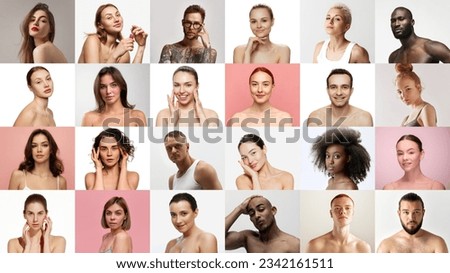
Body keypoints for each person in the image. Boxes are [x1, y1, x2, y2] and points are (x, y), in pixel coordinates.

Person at [225, 195, 300, 253]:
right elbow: (219, 239)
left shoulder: (293, 244)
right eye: (252, 213)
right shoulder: (248, 238)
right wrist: (239, 209)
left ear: (273, 211)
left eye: (261, 209)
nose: (256, 215)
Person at [377, 192, 448, 253]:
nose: (411, 218)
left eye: (416, 212)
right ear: (399, 214)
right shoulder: (386, 246)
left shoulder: (437, 243)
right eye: (406, 212)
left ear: (423, 213)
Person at [78, 3, 147, 63]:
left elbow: (116, 73)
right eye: (109, 17)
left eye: (118, 15)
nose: (116, 19)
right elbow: (95, 73)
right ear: (100, 25)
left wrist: (141, 46)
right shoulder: (92, 40)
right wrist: (115, 55)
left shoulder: (124, 54)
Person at [81, 66, 147, 126]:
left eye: (113, 85)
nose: (108, 91)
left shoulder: (137, 116)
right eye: (103, 87)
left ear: (122, 87)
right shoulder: (89, 118)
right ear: (98, 90)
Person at [228, 67, 293, 127]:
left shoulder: (284, 118)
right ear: (249, 86)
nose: (260, 90)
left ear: (272, 87)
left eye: (265, 84)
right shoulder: (237, 119)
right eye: (255, 84)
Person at [307, 68, 373, 127]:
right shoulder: (316, 117)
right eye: (333, 87)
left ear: (351, 91)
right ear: (328, 91)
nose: (339, 93)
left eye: (344, 87)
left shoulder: (364, 119)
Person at [306, 194, 371, 253]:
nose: (343, 212)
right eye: (337, 208)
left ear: (353, 213)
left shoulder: (363, 248)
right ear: (331, 213)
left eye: (347, 208)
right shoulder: (315, 246)